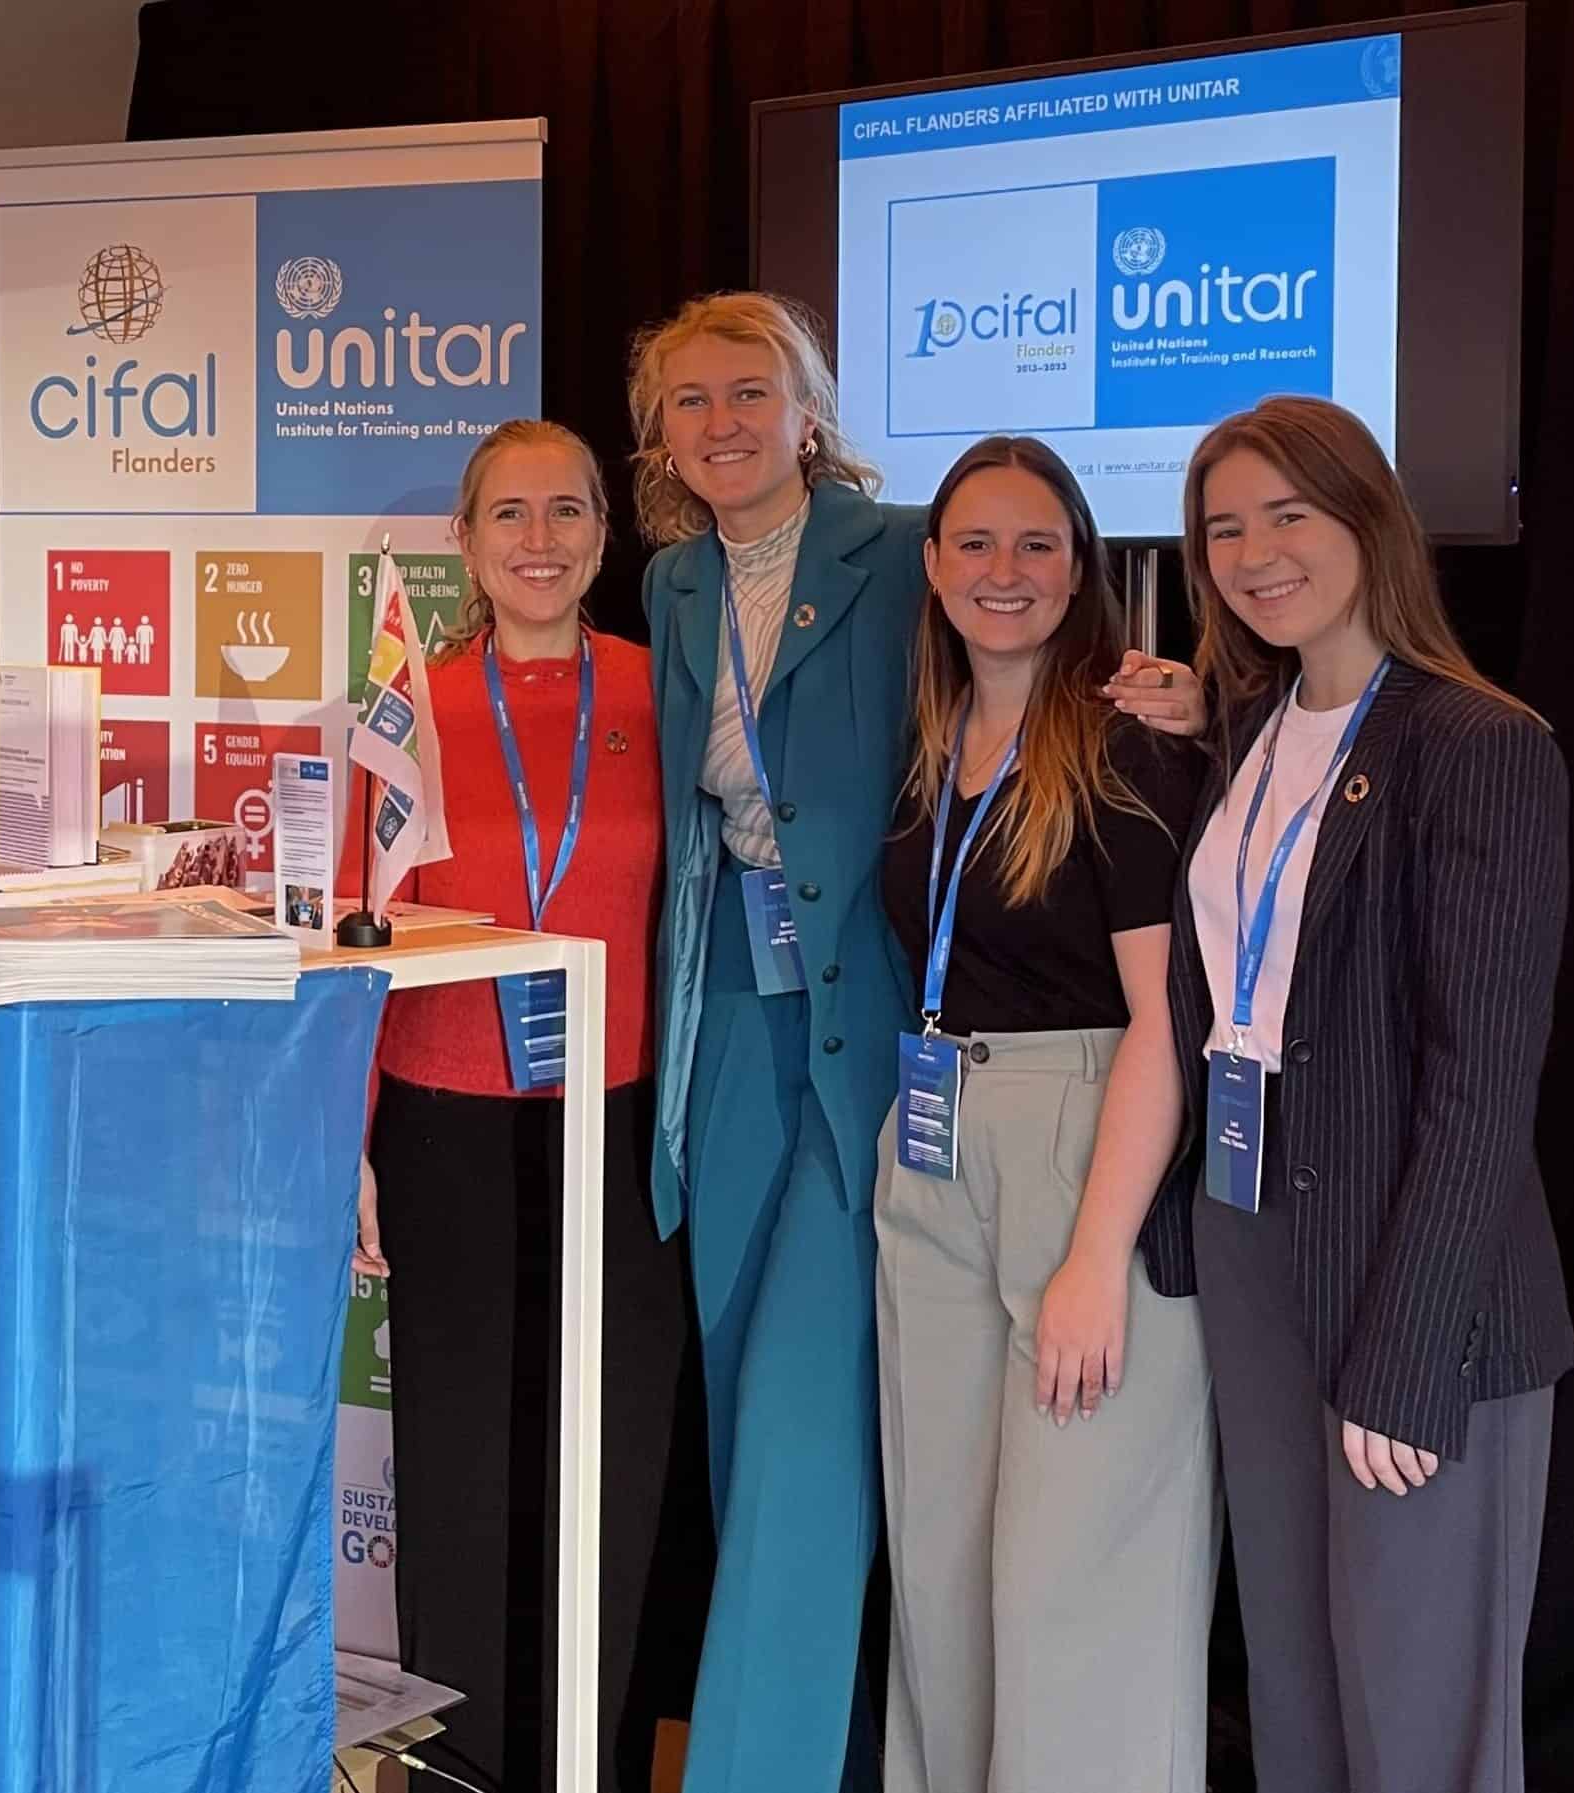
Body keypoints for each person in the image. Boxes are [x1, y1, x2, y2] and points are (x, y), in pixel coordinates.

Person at [1168, 395, 1574, 1793]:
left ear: (1369, 518)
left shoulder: (1477, 743)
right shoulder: (1247, 731)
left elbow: (1483, 1087)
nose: (1254, 554)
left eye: (1289, 514)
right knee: (1297, 1690)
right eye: (1224, 529)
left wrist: (1409, 1350)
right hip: (1252, 1242)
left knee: (1418, 1717)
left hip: (1415, 1276)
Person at [349, 419, 710, 1793]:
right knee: (457, 1474)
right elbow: (362, 935)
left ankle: (587, 1769)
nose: (539, 539)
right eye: (510, 513)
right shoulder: (409, 709)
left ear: (606, 536)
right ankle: (460, 1774)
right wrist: (351, 1145)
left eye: (567, 511)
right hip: (444, 1126)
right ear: (465, 540)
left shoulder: (663, 691)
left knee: (610, 1473)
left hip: (621, 1127)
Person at [873, 435, 1218, 1793]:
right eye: (975, 543)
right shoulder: (932, 744)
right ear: (932, 565)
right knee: (941, 1571)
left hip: (1087, 1152)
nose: (1003, 570)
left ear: (1081, 571)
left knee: (1073, 1589)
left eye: (1036, 544)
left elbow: (1164, 1024)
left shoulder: (1127, 749)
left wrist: (1096, 1256)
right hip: (936, 1145)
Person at [628, 289, 929, 1793]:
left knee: (807, 1421)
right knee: (751, 1416)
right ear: (661, 438)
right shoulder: (674, 582)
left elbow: (1023, 682)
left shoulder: (906, 553)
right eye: (690, 400)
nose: (723, 422)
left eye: (750, 391)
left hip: (868, 1017)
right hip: (730, 1022)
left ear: (809, 412)